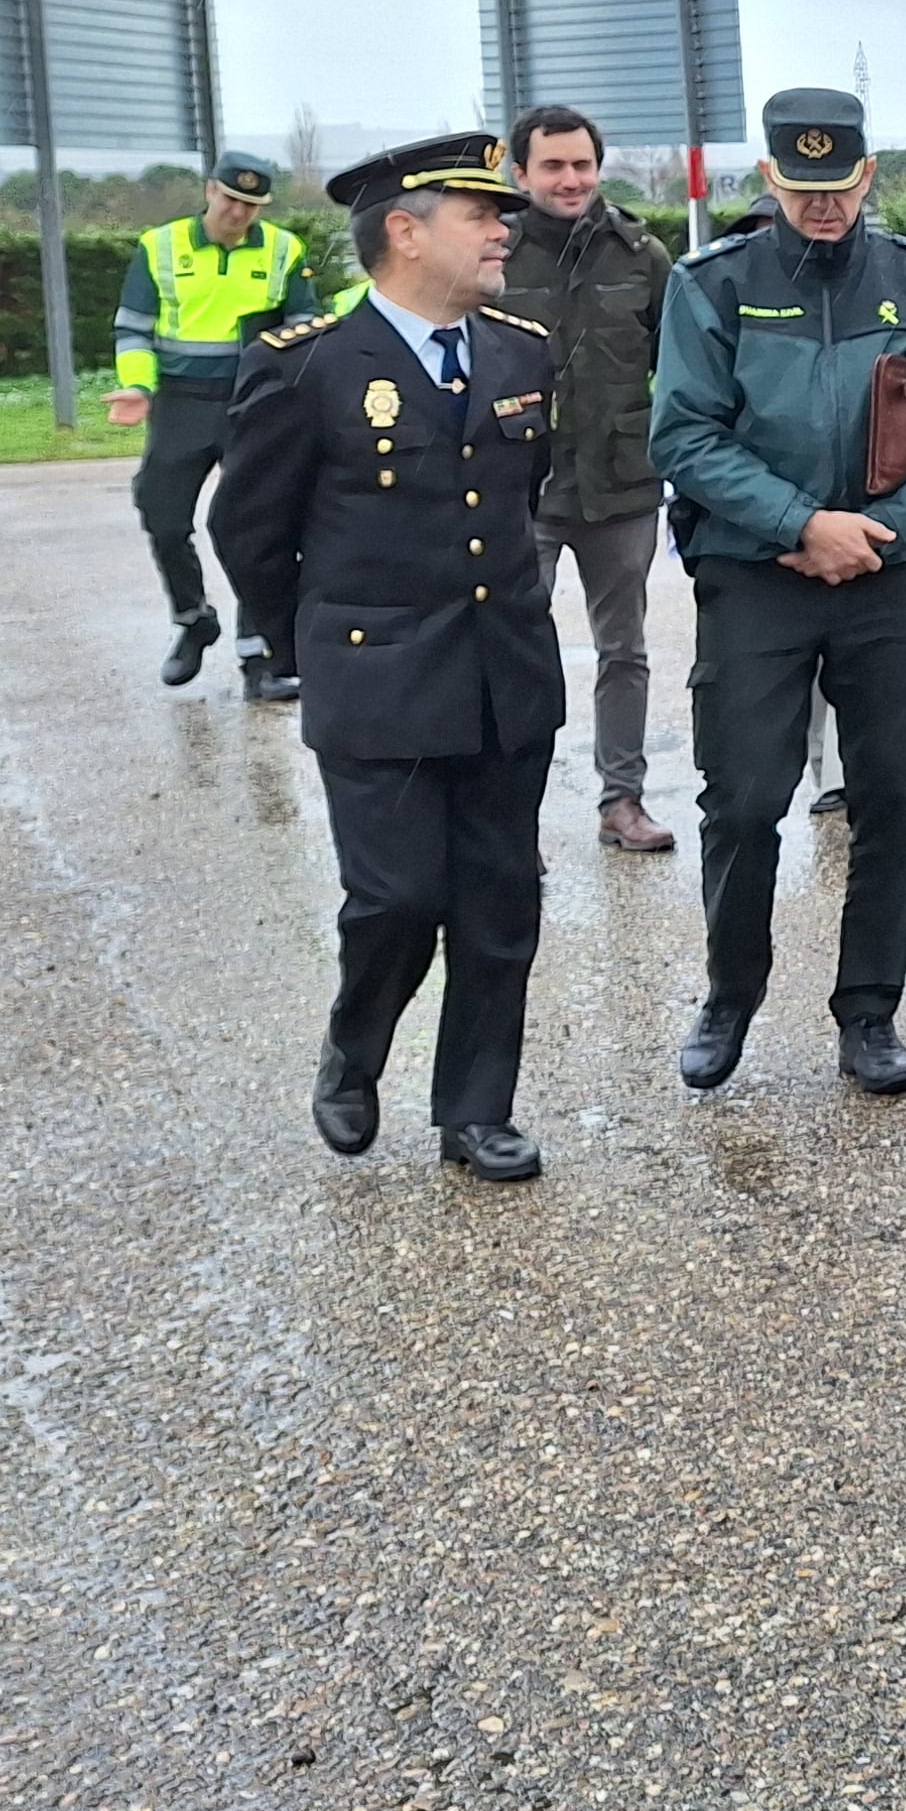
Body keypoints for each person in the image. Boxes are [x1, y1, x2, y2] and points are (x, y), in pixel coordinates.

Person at [211, 133, 565, 1182]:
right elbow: (250, 534)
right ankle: (355, 1048)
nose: (505, 229)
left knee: (502, 905)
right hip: (376, 680)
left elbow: (522, 496)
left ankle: (474, 1112)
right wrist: (314, 644)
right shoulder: (307, 362)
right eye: (479, 216)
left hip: (505, 674)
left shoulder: (519, 350)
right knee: (399, 899)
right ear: (404, 233)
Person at [651, 91, 906, 1099]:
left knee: (889, 795)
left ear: (868, 173)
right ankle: (730, 995)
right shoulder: (712, 284)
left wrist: (869, 535)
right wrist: (803, 524)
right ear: (769, 180)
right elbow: (682, 434)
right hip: (758, 574)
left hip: (887, 578)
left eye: (840, 186)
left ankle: (870, 1013)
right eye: (803, 189)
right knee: (746, 798)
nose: (824, 207)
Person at [500, 105, 677, 855]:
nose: (570, 180)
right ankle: (509, 817)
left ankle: (623, 801)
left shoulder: (643, 255)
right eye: (553, 166)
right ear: (519, 173)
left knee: (624, 650)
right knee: (510, 648)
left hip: (623, 486)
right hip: (522, 490)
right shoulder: (493, 253)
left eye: (582, 165)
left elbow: (679, 372)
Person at [108, 148, 310, 693]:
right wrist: (137, 386)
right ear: (209, 192)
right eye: (231, 199)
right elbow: (133, 329)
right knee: (163, 515)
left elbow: (305, 327)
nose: (239, 213)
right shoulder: (161, 246)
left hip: (254, 401)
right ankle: (194, 619)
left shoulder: (284, 249)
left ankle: (261, 658)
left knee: (258, 527)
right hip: (180, 398)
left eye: (252, 204)